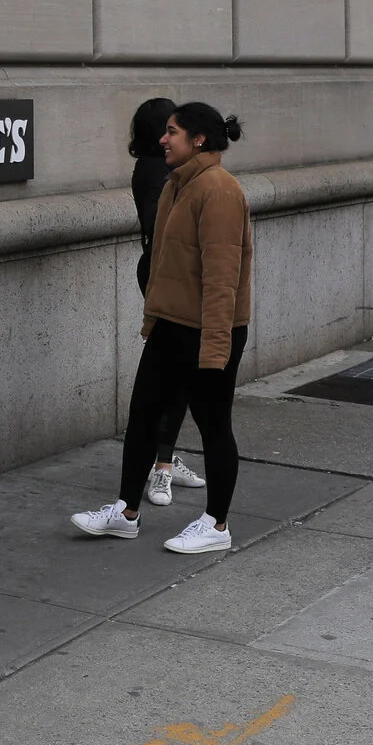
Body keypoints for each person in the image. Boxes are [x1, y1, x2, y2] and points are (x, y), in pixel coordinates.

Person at [72, 104, 253, 555]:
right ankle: (126, 512)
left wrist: (215, 346)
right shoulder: (178, 184)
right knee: (143, 419)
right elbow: (166, 265)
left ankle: (217, 523)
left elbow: (222, 276)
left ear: (198, 140)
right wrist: (154, 318)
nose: (162, 139)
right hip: (171, 325)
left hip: (208, 328)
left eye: (172, 132)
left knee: (214, 426)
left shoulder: (219, 190)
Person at [126, 97, 207, 505]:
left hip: (175, 276)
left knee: (180, 375)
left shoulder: (175, 172)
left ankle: (165, 458)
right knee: (173, 374)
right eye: (171, 127)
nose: (172, 135)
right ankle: (160, 467)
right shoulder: (156, 172)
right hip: (165, 277)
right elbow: (161, 229)